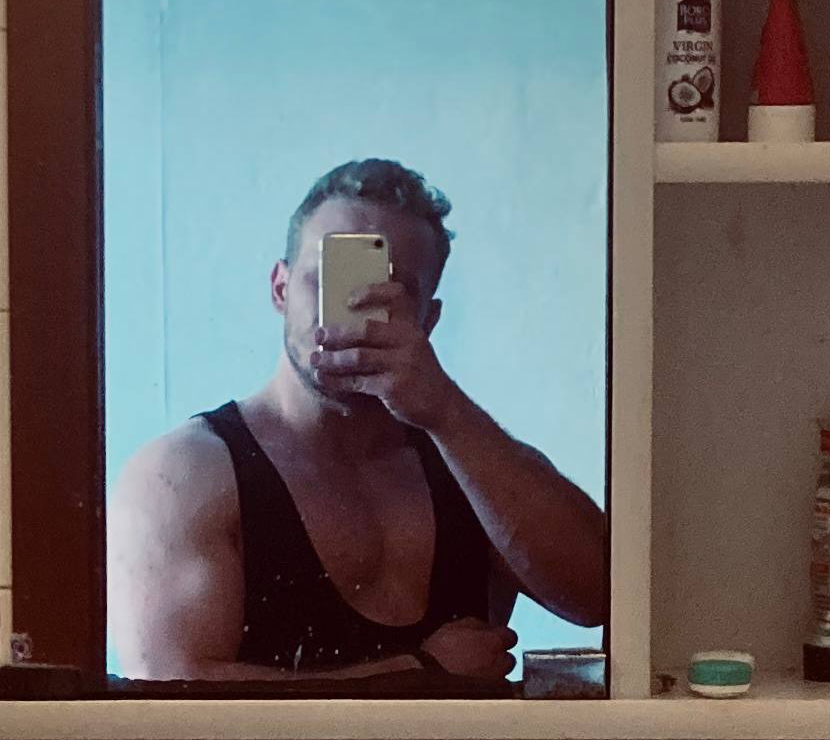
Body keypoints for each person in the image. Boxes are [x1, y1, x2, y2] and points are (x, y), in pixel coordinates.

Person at [108, 159, 606, 682]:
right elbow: (168, 690)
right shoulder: (185, 473)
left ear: (428, 319)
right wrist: (417, 674)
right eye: (329, 279)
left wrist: (446, 410)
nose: (353, 305)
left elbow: (599, 595)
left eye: (393, 290)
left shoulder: (467, 458)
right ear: (280, 289)